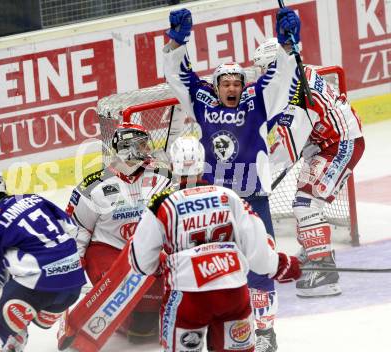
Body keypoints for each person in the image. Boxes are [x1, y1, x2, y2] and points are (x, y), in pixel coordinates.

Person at [162, 7, 302, 351]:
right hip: (214, 203)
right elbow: (179, 76)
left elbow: (282, 78)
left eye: (237, 82)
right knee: (212, 267)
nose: (232, 87)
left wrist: (289, 44)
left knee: (259, 265)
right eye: (226, 82)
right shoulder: (203, 100)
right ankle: (212, 322)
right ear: (216, 86)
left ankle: (265, 330)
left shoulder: (256, 101)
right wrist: (176, 41)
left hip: (252, 199)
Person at [129, 136, 302, 352]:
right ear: (203, 166)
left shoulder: (161, 204)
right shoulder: (229, 196)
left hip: (187, 296)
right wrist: (284, 265)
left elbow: (141, 262)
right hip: (233, 293)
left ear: (173, 166)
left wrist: (162, 264)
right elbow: (258, 253)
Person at [253, 37, 365, 298]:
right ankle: (315, 249)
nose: (260, 76)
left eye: (263, 70)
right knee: (304, 197)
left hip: (340, 144)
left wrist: (259, 172)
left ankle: (324, 270)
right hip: (326, 142)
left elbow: (286, 151)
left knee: (306, 204)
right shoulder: (298, 74)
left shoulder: (297, 96)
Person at [66, 122, 173, 343]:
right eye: (142, 145)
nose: (147, 150)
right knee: (129, 314)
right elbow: (78, 229)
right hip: (109, 253)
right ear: (127, 147)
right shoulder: (93, 185)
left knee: (145, 330)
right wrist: (74, 268)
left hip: (146, 250)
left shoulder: (162, 176)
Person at [0, 164, 86, 352]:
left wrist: (12, 275)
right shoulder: (34, 198)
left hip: (41, 286)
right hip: (73, 284)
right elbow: (71, 228)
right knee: (20, 309)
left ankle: (7, 340)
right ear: (3, 185)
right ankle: (13, 342)